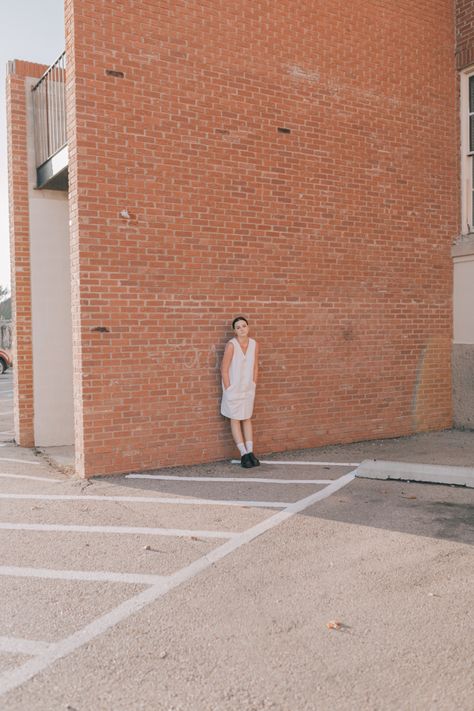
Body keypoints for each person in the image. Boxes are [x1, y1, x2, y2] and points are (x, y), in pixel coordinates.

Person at [220, 316, 260, 468]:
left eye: (244, 326)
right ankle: (243, 453)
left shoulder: (255, 344)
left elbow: (255, 365)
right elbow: (224, 369)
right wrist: (228, 389)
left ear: (248, 327)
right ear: (234, 331)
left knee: (247, 417)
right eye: (238, 327)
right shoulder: (231, 345)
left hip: (248, 387)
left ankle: (251, 452)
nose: (242, 329)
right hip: (234, 389)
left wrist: (253, 383)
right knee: (235, 418)